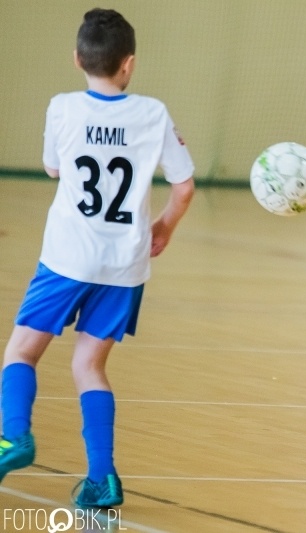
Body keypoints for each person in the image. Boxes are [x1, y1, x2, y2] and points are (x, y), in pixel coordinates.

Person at [0, 8, 195, 508]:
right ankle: (102, 480)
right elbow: (184, 185)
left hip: (67, 258)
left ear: (77, 59)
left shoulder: (63, 107)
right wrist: (165, 227)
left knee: (20, 352)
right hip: (124, 265)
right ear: (128, 64)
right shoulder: (153, 113)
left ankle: (14, 436)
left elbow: (52, 168)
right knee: (90, 365)